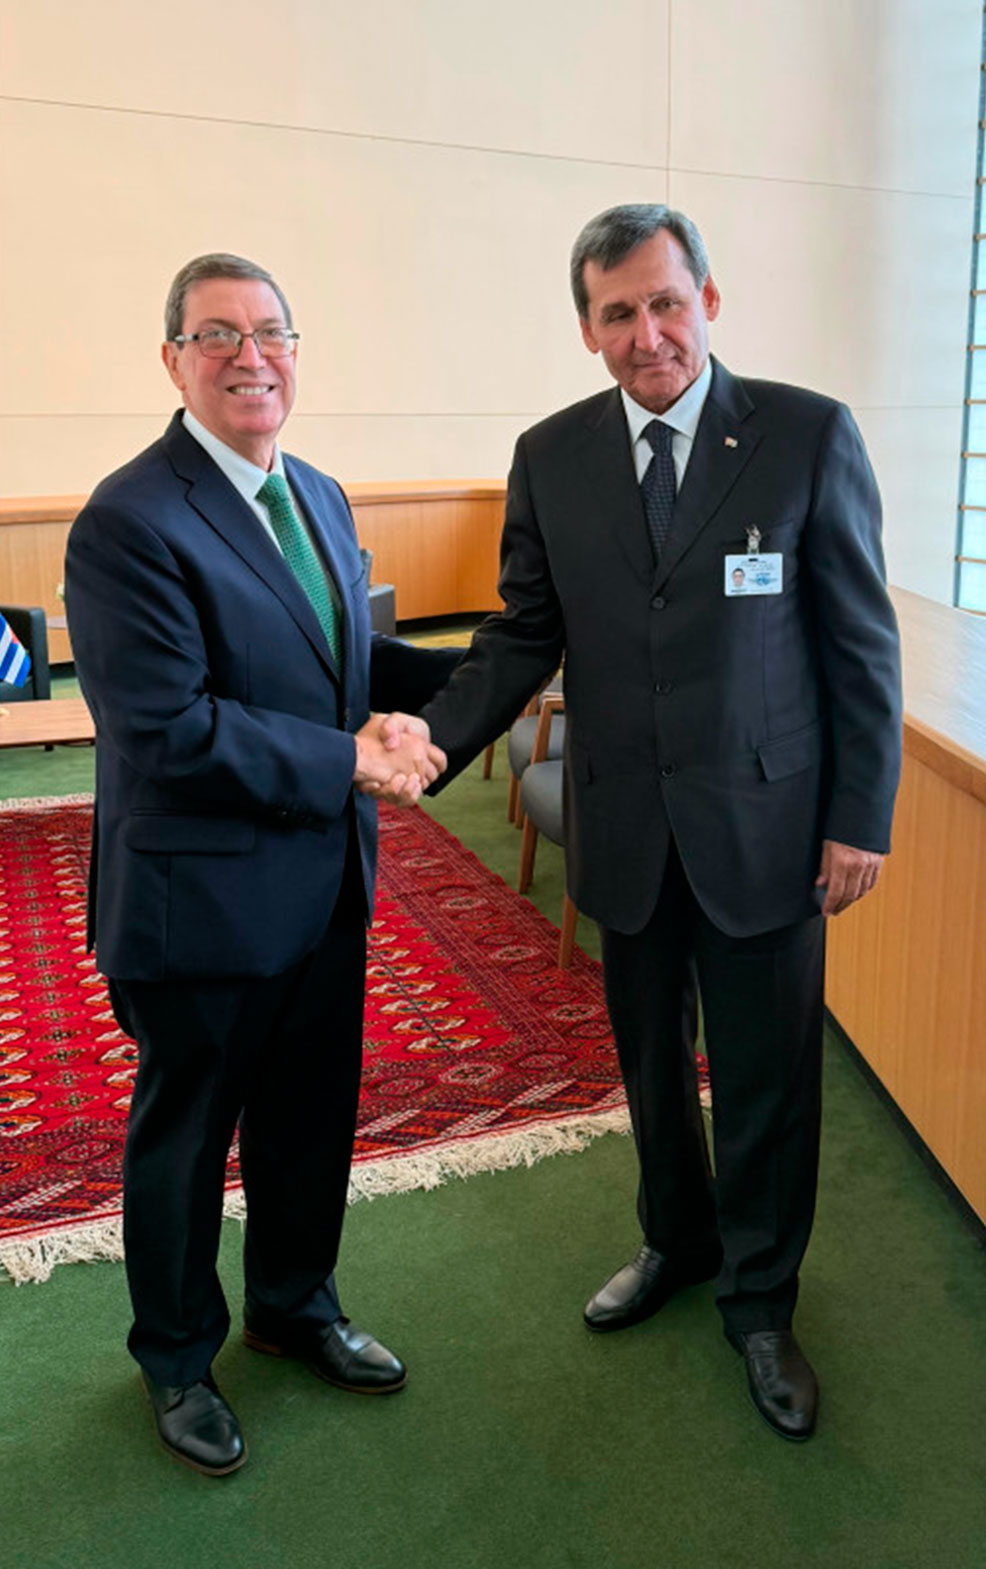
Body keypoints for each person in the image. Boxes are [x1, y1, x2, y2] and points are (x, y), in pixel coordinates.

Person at [421, 204, 902, 1441]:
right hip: (625, 826)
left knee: (766, 1083)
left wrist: (861, 817)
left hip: (771, 830)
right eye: (619, 312)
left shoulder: (803, 436)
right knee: (647, 1068)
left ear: (710, 301)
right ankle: (675, 1243)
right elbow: (524, 631)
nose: (649, 335)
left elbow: (858, 647)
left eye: (667, 303)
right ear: (586, 328)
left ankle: (760, 1300)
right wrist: (431, 742)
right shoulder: (552, 454)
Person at [64, 253, 457, 1476]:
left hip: (325, 881)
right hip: (199, 898)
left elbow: (348, 659)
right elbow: (169, 732)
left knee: (308, 1116)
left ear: (298, 350)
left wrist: (475, 683)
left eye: (272, 332)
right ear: (172, 359)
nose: (252, 356)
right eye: (218, 334)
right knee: (186, 1138)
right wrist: (348, 758)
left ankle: (295, 1306)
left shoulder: (322, 495)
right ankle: (178, 1358)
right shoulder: (129, 521)